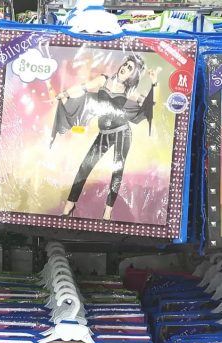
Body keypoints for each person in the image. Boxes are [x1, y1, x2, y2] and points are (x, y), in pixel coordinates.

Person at [50, 56, 158, 221]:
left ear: (132, 75)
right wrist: (64, 94)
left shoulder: (129, 91)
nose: (125, 68)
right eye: (126, 64)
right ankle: (68, 208)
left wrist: (154, 83)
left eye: (130, 68)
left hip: (122, 133)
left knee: (117, 171)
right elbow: (82, 88)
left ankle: (107, 213)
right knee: (84, 168)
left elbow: (150, 104)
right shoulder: (103, 80)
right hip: (104, 133)